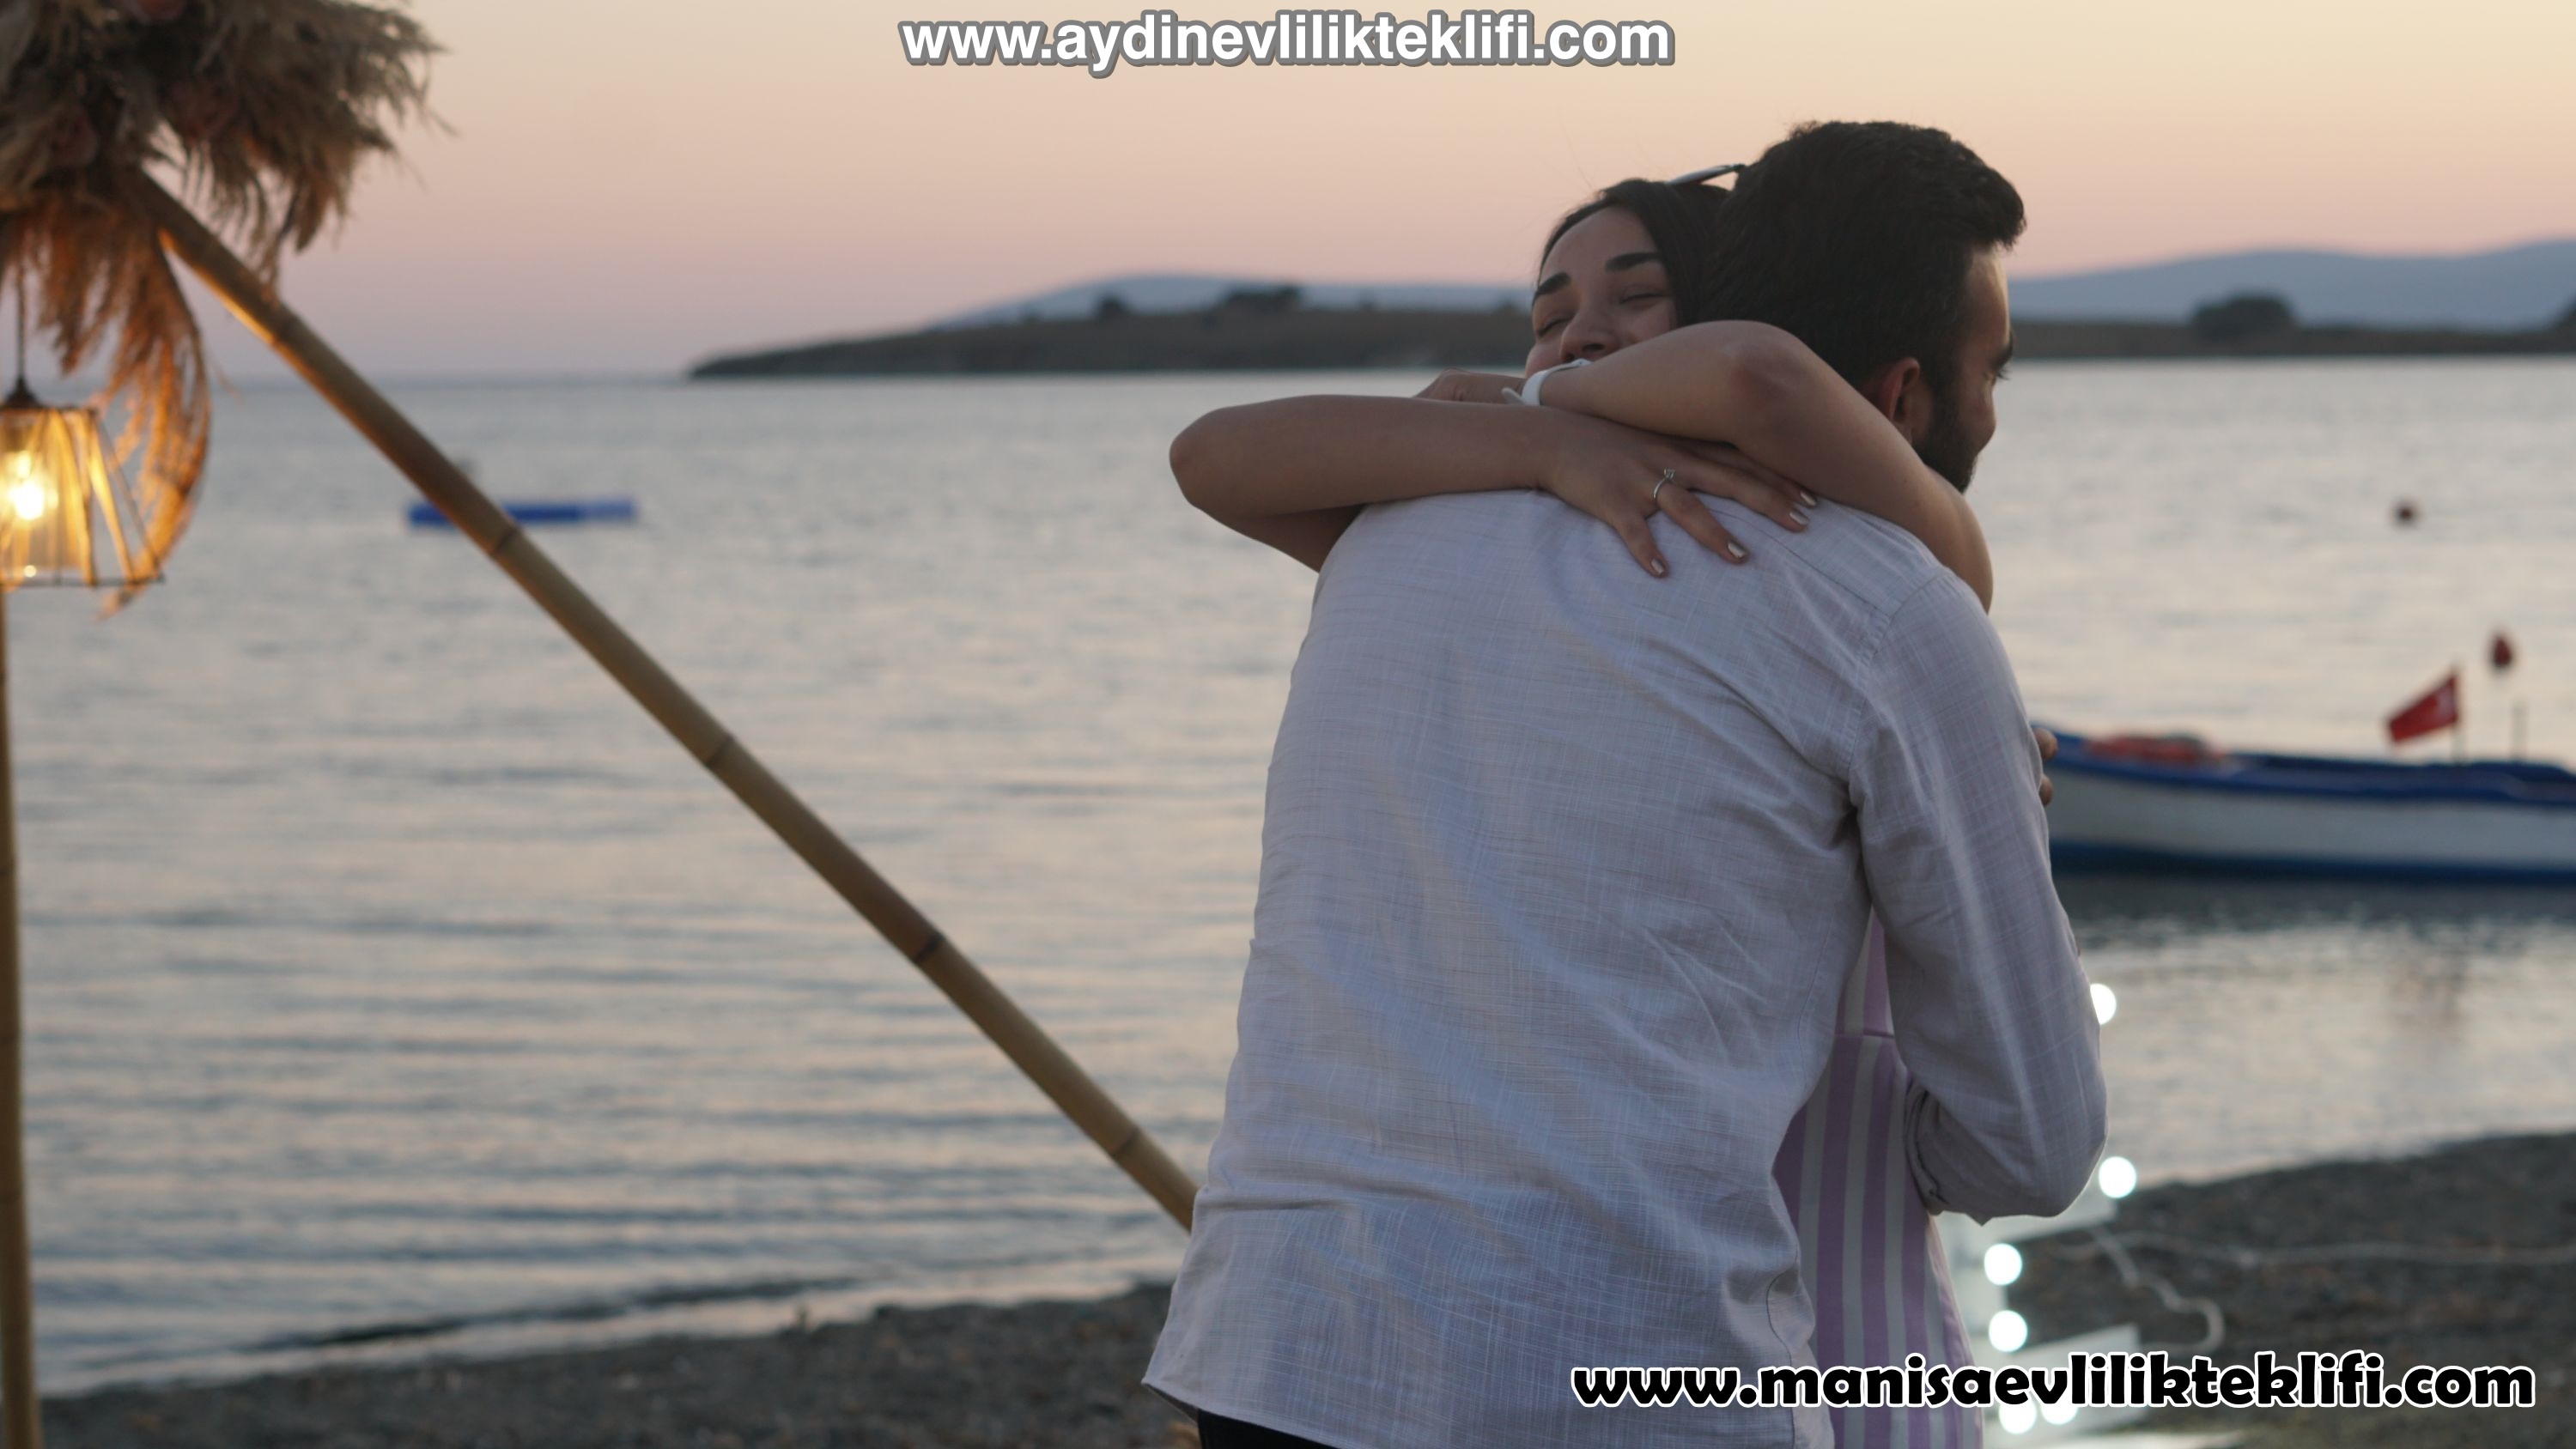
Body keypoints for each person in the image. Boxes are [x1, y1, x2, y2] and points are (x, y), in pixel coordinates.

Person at [1146, 121, 2107, 1448]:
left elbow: (1216, 456)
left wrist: (1528, 415)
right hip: (1616, 1363)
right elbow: (2033, 1146)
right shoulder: (1892, 611)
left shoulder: (1388, 535)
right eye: (1991, 371)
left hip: (1276, 1352)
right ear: (1898, 396)